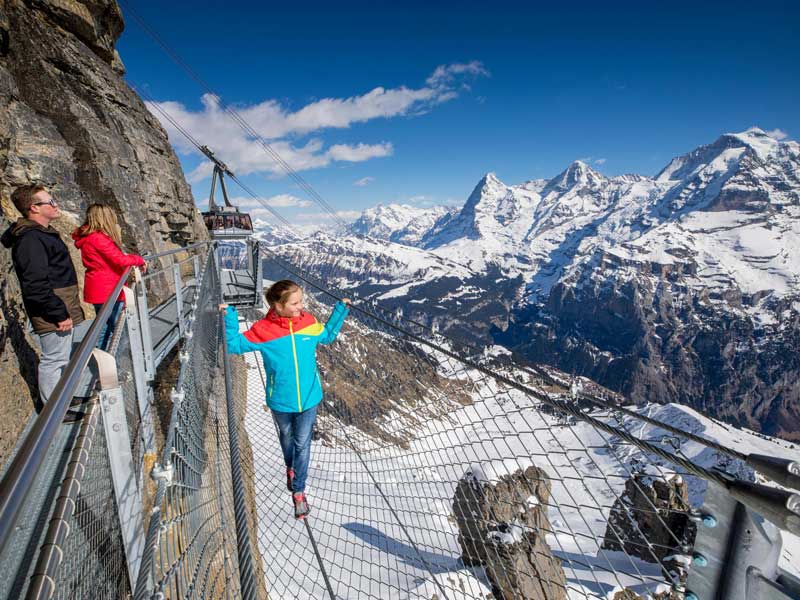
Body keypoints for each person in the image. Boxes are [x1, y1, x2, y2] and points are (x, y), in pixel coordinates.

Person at [220, 280, 350, 519]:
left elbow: (328, 335)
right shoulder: (263, 330)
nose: (302, 306)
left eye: (301, 301)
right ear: (278, 306)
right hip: (280, 400)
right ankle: (292, 469)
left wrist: (340, 309)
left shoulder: (309, 323)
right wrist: (229, 316)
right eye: (296, 303)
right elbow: (233, 345)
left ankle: (299, 491)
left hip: (309, 399)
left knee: (302, 444)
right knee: (287, 438)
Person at [1, 185, 85, 416]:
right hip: (53, 309)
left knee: (61, 356)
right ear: (34, 208)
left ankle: (62, 398)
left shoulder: (38, 234)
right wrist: (58, 313)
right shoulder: (31, 239)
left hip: (59, 303)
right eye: (51, 201)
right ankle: (53, 410)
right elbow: (35, 285)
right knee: (54, 359)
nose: (56, 204)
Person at [72, 204, 145, 350]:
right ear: (105, 218)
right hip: (109, 289)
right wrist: (139, 259)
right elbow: (120, 260)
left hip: (99, 287)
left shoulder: (88, 238)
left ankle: (103, 357)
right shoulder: (98, 238)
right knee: (117, 328)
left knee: (105, 325)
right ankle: (114, 363)